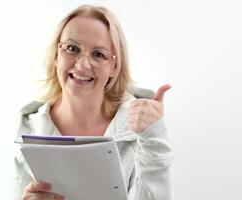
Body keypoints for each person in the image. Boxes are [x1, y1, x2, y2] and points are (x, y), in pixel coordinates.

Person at [13, 4, 173, 200]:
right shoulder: (30, 128)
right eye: (72, 48)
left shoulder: (140, 127)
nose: (82, 65)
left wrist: (153, 138)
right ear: (56, 55)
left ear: (114, 66)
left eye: (99, 54)